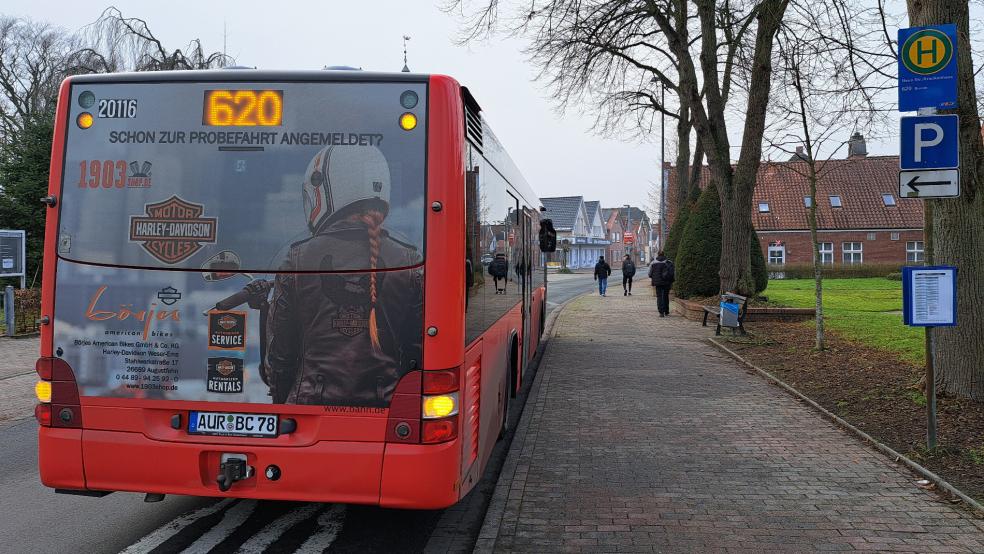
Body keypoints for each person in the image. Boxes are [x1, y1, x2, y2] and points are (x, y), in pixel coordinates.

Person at [264, 145, 423, 406]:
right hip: (388, 407)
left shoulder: (298, 258)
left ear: (324, 189)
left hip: (309, 406)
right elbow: (417, 352)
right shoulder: (410, 260)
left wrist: (282, 407)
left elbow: (280, 355)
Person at [648, 250, 675, 317]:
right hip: (666, 282)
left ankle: (661, 312)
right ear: (664, 254)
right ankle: (666, 311)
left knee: (659, 297)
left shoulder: (653, 263)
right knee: (666, 296)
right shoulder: (669, 262)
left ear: (658, 254)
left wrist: (655, 277)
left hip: (658, 283)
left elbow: (649, 274)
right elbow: (672, 273)